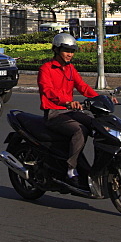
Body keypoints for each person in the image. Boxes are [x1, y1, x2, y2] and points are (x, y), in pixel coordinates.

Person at [38, 33, 102, 185]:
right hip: (54, 113)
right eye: (66, 50)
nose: (70, 54)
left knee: (97, 125)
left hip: (70, 112)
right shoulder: (46, 69)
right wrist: (68, 101)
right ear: (57, 50)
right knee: (80, 130)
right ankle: (71, 169)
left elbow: (82, 87)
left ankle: (97, 166)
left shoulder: (71, 69)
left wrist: (100, 98)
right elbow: (48, 91)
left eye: (72, 51)